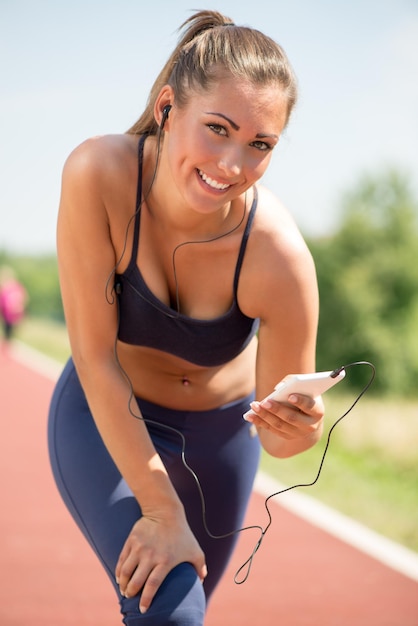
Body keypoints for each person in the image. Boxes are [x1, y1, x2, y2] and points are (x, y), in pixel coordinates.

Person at [48, 10, 324, 625]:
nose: (232, 163)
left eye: (260, 145)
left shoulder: (280, 260)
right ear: (168, 107)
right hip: (107, 413)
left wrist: (299, 427)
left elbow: (283, 443)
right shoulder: (98, 175)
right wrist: (161, 510)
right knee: (168, 614)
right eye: (218, 129)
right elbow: (94, 357)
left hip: (221, 441)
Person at [0, 266, 28, 345]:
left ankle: (8, 345)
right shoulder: (4, 288)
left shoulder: (17, 287)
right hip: (7, 314)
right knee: (7, 332)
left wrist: (20, 307)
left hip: (13, 314)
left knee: (10, 333)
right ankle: (7, 345)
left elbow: (24, 297)